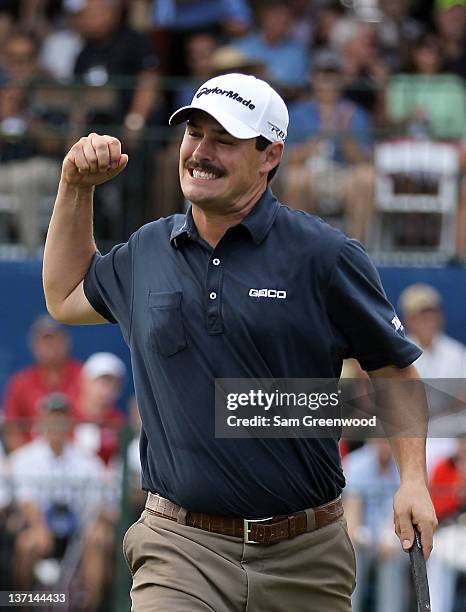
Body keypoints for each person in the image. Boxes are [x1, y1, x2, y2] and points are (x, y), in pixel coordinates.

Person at [43, 71, 437, 611]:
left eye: (224, 141)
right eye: (193, 135)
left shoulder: (325, 255)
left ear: (270, 155)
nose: (200, 153)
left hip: (307, 555)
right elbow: (64, 295)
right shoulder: (147, 251)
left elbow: (395, 372)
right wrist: (76, 187)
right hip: (179, 546)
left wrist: (412, 481)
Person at [7, 392, 114, 610]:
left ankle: (89, 607)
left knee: (99, 539)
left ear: (69, 422)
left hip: (77, 534)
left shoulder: (86, 461)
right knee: (27, 545)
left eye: (61, 418)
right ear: (41, 421)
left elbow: (99, 502)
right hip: (40, 531)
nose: (56, 424)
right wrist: (39, 527)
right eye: (51, 417)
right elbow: (25, 501)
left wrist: (95, 524)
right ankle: (24, 607)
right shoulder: (24, 458)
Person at [282, 49, 374, 244]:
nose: (327, 81)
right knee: (296, 178)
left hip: (343, 174)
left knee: (366, 177)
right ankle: (300, 250)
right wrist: (314, 145)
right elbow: (284, 158)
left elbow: (362, 160)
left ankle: (357, 252)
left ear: (341, 79)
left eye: (332, 75)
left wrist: (345, 134)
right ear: (313, 78)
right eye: (322, 75)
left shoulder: (355, 113)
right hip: (310, 174)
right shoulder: (297, 112)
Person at [2, 315, 82, 452]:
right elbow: (11, 428)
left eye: (54, 339)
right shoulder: (21, 382)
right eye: (45, 341)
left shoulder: (82, 376)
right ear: (34, 345)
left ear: (66, 342)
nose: (50, 346)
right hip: (32, 465)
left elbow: (96, 419)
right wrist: (30, 460)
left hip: (76, 460)